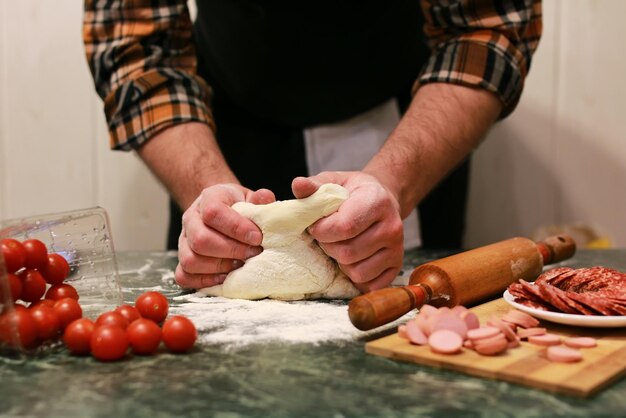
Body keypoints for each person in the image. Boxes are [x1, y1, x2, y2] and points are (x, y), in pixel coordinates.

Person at [83, 1, 542, 294]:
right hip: (224, 131)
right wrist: (209, 192)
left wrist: (393, 181)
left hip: (407, 125)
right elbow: (138, 44)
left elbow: (488, 27)